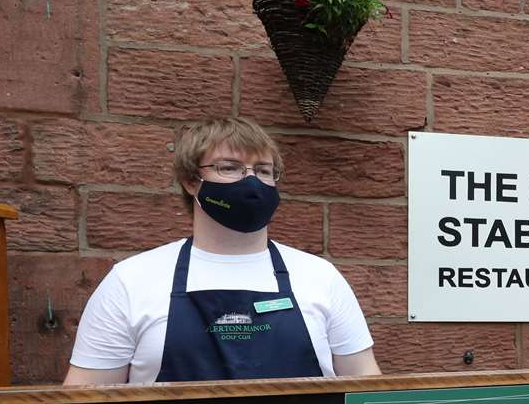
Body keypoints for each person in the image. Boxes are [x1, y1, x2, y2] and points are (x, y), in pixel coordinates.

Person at [65, 117, 381, 384]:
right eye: (230, 168)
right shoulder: (131, 281)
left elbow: (368, 393)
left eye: (263, 170)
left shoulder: (320, 277)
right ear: (191, 181)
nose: (252, 182)